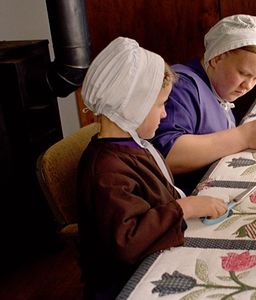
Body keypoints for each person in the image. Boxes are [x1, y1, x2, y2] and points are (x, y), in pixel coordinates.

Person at [77, 37, 227, 299]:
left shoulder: (135, 145)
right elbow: (128, 241)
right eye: (160, 105)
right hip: (125, 283)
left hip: (155, 253)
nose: (164, 114)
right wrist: (185, 207)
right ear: (132, 105)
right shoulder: (106, 171)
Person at [152, 14, 256, 195]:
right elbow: (166, 156)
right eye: (243, 73)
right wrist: (244, 136)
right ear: (216, 59)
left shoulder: (218, 90)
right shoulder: (181, 87)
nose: (247, 86)